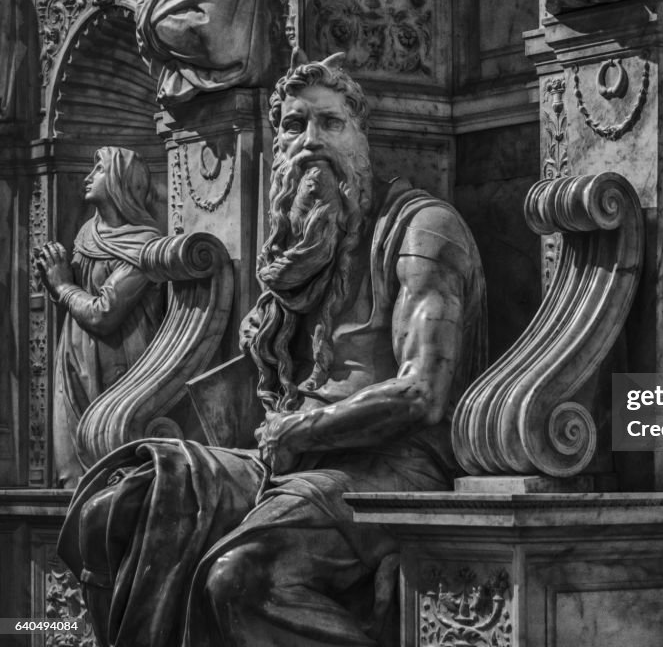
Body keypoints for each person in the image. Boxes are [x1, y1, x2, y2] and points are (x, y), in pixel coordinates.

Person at [58, 53, 487, 647]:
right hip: (291, 462)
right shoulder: (302, 246)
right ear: (277, 144)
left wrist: (300, 429)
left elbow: (422, 393)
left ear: (361, 138)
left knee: (237, 579)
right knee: (114, 508)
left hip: (390, 468)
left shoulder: (422, 230)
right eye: (294, 125)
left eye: (330, 123)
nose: (311, 141)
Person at [35, 147, 164, 488]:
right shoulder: (87, 233)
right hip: (74, 359)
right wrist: (53, 277)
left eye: (100, 169)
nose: (89, 176)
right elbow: (75, 297)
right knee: (70, 470)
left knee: (112, 467)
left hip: (120, 364)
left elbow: (104, 314)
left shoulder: (143, 245)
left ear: (123, 181)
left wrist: (62, 286)